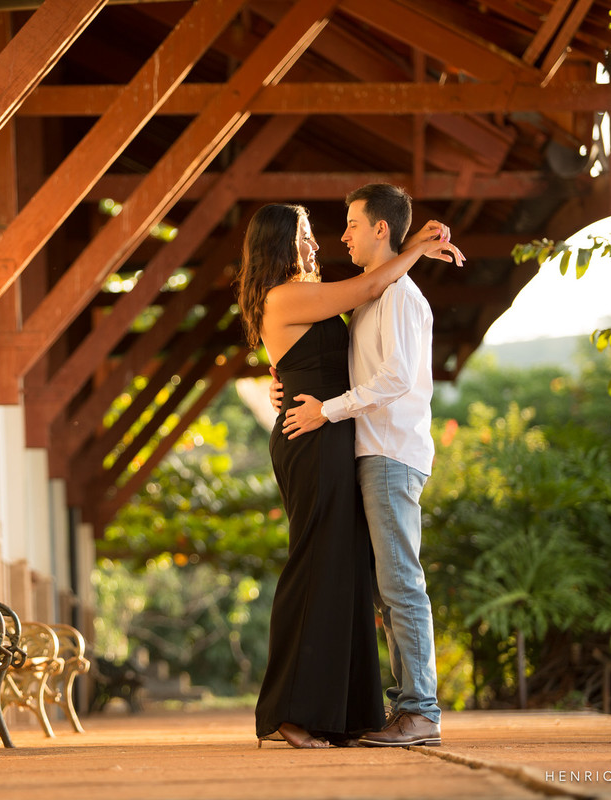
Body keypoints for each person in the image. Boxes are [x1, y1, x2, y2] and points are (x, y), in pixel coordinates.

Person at [236, 202, 462, 749]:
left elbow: (322, 353)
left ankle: (341, 711)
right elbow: (367, 287)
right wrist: (415, 248)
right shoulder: (285, 295)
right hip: (313, 438)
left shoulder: (307, 296)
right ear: (280, 243)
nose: (318, 244)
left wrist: (285, 379)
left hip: (335, 437)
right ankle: (288, 712)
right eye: (306, 235)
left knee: (345, 573)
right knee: (315, 565)